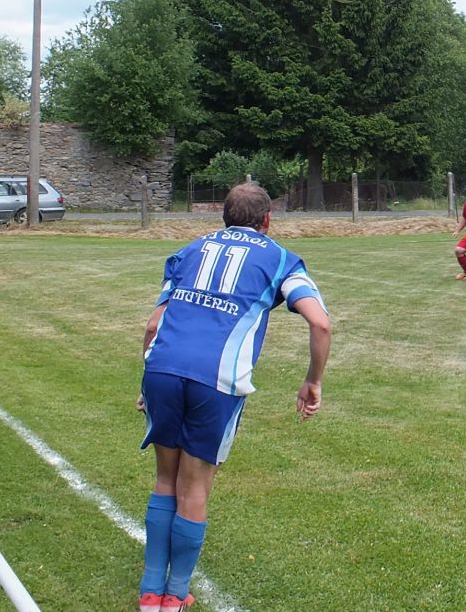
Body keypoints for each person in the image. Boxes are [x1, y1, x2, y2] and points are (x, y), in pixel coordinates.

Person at [136, 183, 331, 612]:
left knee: (165, 479)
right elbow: (320, 323)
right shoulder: (280, 258)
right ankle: (174, 595)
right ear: (267, 220)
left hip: (162, 369)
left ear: (223, 216)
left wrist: (146, 386)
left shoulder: (190, 249)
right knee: (194, 486)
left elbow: (153, 325)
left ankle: (150, 592)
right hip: (215, 378)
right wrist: (312, 381)